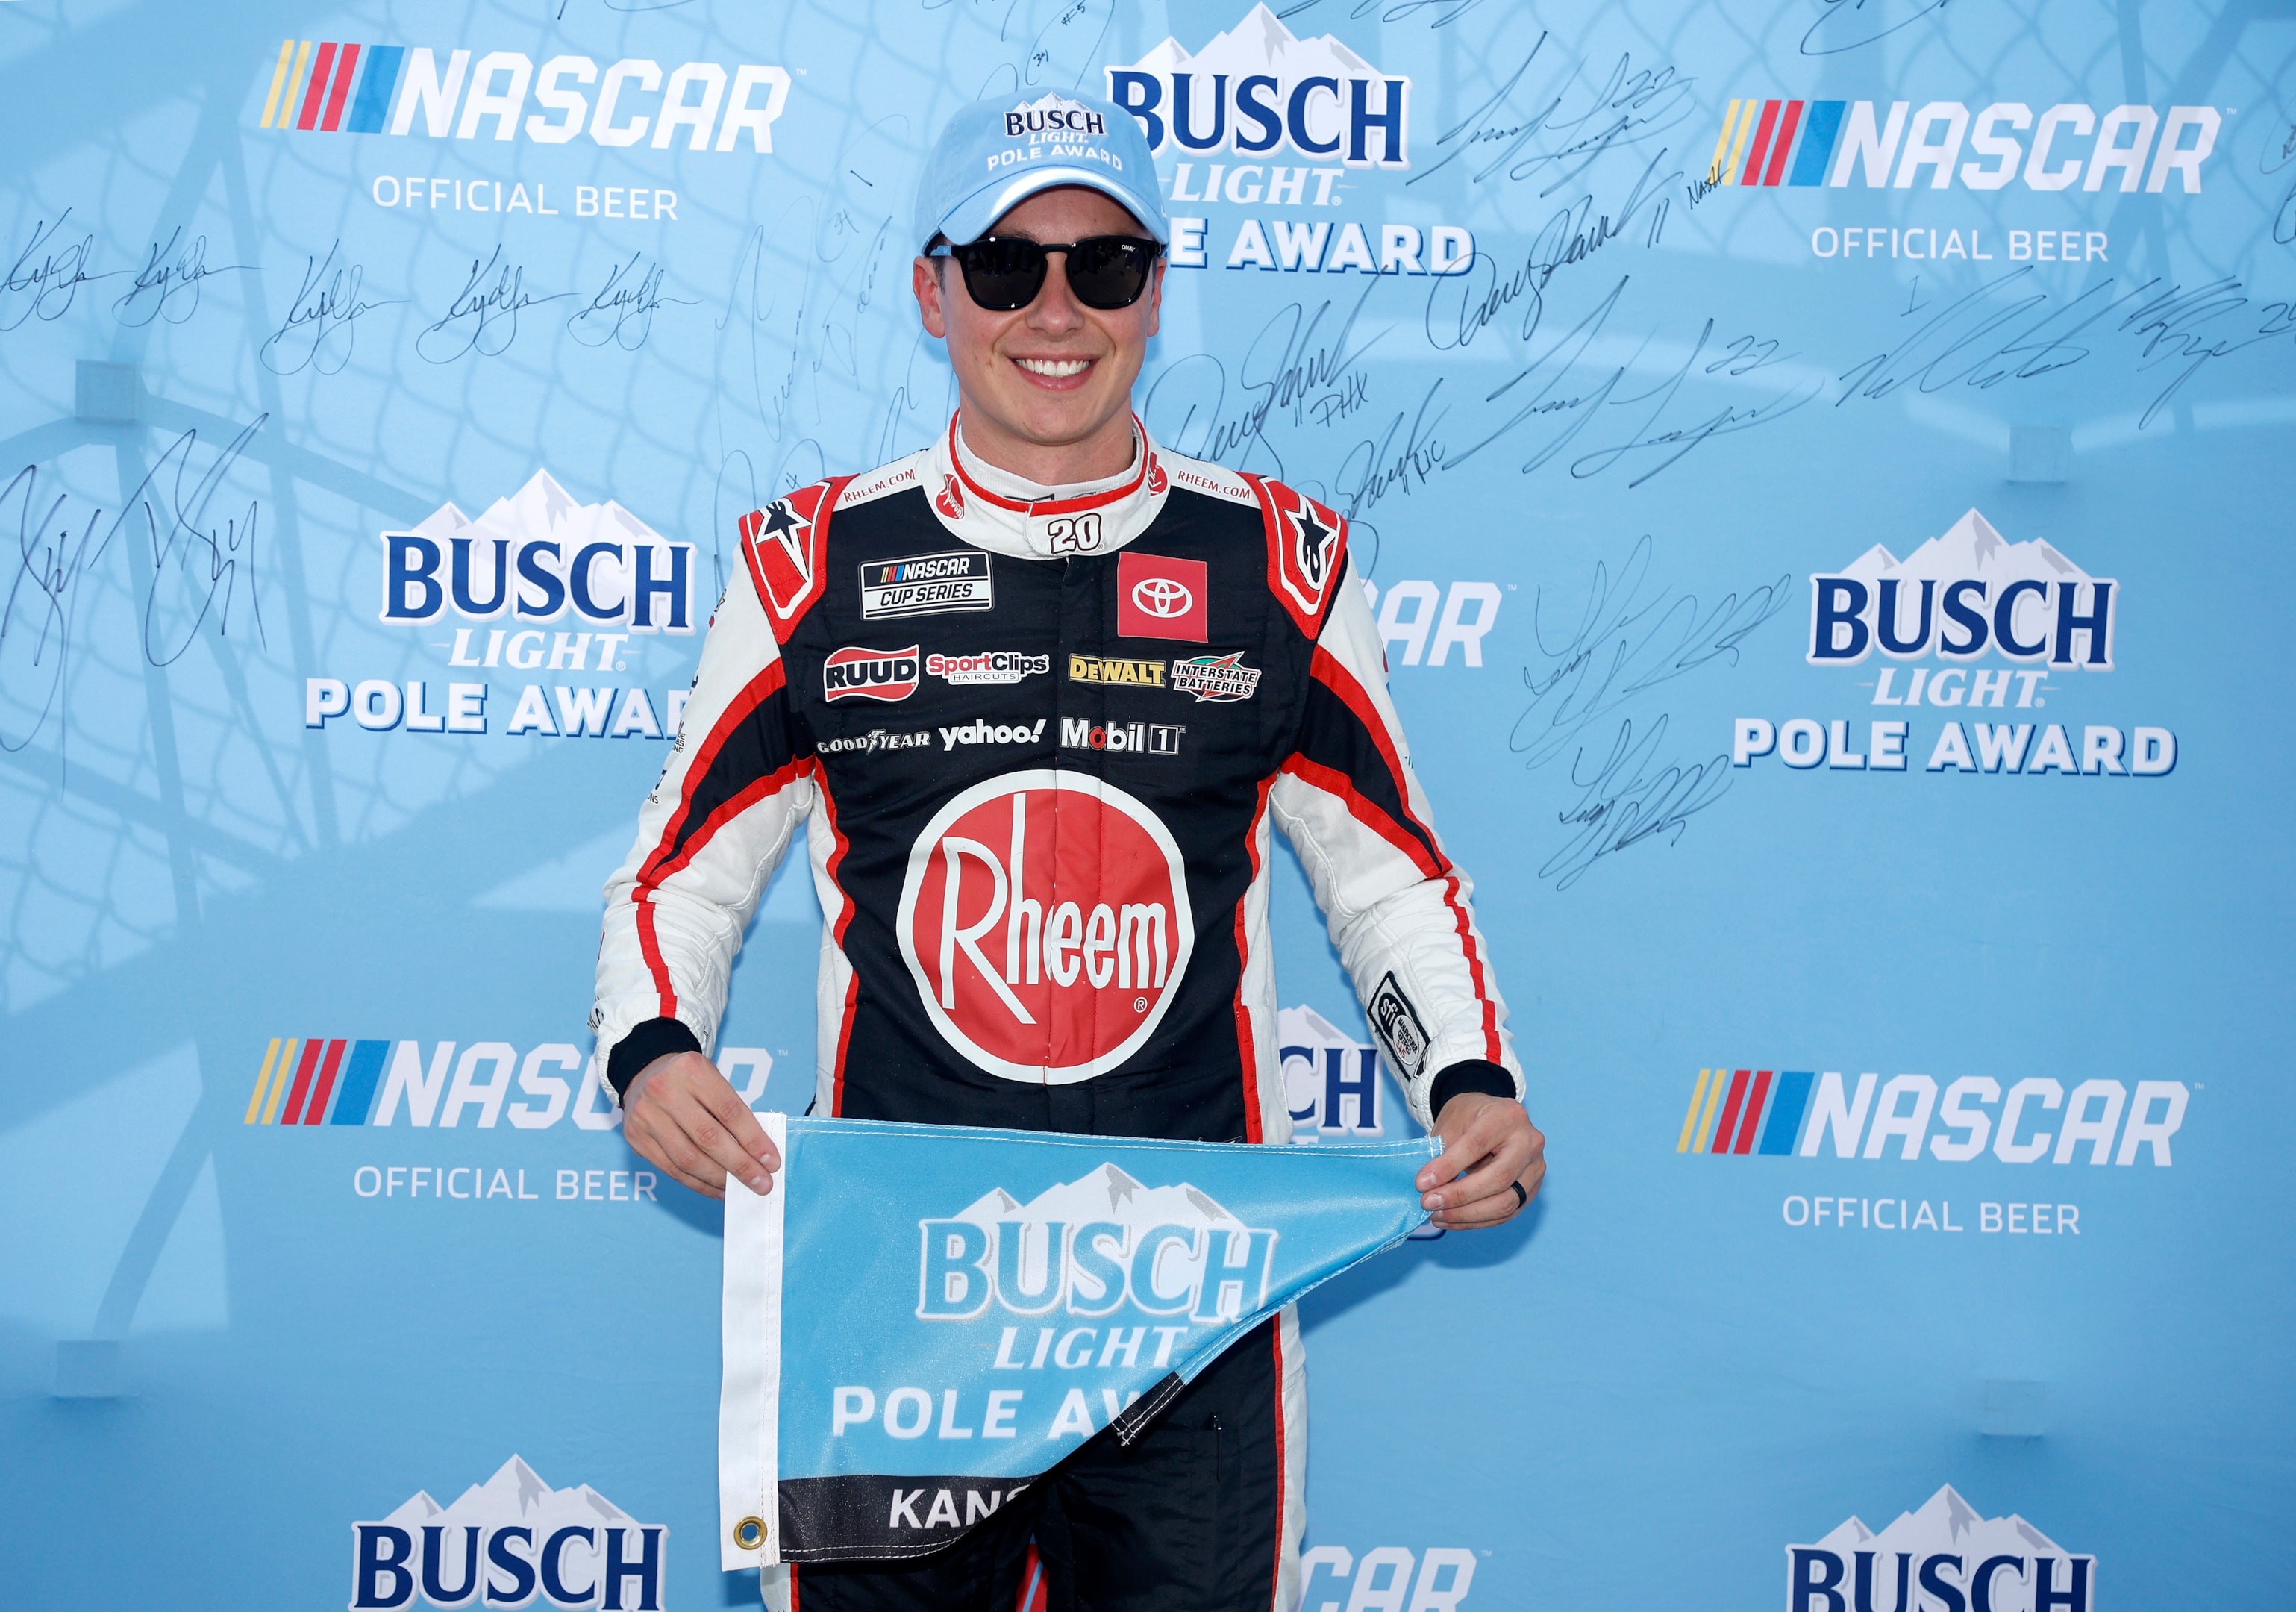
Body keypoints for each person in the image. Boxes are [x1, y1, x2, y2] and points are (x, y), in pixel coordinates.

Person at [590, 90, 1545, 1612]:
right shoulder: (809, 565)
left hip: (1189, 1297)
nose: (1056, 309)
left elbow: (1384, 880)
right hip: (901, 1305)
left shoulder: (1277, 564)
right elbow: (679, 876)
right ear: (933, 288)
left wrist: (1466, 1080)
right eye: (1006, 263)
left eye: (1104, 267)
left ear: (1155, 292)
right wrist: (651, 1046)